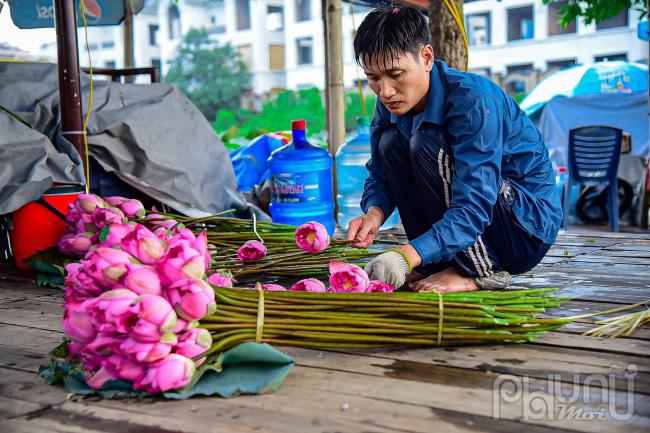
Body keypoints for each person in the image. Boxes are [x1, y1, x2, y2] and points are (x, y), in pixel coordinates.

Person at [347, 6, 562, 293]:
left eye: (395, 73)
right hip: (475, 226)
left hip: (523, 231)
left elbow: (475, 203)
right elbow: (380, 174)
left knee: (428, 144)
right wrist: (373, 214)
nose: (384, 91)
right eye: (373, 78)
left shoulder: (473, 101)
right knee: (391, 143)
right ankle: (437, 262)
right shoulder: (391, 103)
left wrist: (405, 256)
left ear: (426, 57)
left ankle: (479, 270)